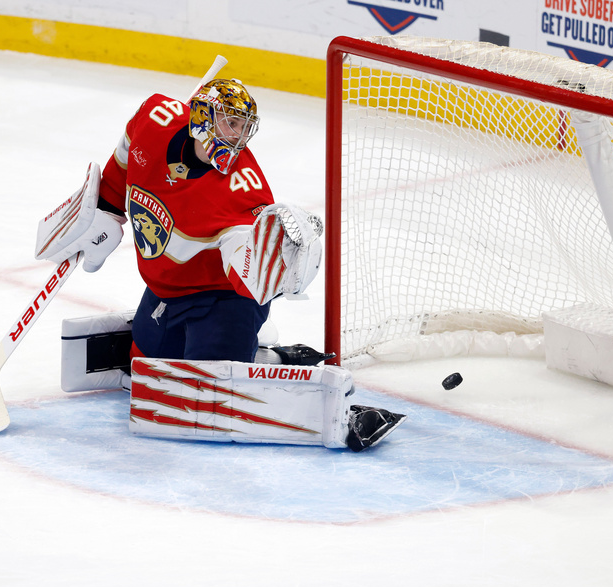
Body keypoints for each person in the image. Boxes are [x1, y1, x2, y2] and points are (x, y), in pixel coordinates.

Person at [36, 78, 406, 451]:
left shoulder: (244, 188)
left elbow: (252, 271)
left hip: (224, 300)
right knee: (143, 375)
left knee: (203, 397)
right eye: (231, 122)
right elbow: (123, 163)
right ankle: (266, 355)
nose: (239, 136)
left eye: (246, 127)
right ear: (201, 117)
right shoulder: (153, 118)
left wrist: (270, 266)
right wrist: (105, 211)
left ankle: (271, 365)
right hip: (169, 289)